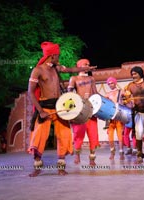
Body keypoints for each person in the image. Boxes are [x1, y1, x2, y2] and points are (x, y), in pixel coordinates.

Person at [28, 41, 96, 177]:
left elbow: (71, 69)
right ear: (52, 56)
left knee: (64, 136)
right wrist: (40, 111)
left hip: (60, 107)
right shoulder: (38, 71)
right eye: (57, 56)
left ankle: (61, 167)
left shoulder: (56, 68)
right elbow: (30, 92)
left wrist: (86, 69)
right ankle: (37, 167)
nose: (58, 58)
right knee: (39, 137)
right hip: (45, 108)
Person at [67, 59, 100, 166]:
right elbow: (69, 95)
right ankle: (77, 154)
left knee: (93, 135)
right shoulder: (74, 78)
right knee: (78, 134)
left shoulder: (91, 78)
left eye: (89, 64)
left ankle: (92, 158)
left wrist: (103, 102)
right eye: (86, 64)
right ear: (80, 66)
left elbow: (95, 93)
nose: (88, 66)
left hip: (91, 110)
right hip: (80, 111)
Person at [104, 77, 125, 160]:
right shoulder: (107, 94)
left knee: (120, 136)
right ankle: (112, 153)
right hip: (110, 118)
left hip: (119, 116)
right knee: (110, 137)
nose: (110, 85)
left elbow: (126, 100)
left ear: (115, 83)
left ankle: (121, 153)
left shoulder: (121, 92)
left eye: (111, 83)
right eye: (108, 84)